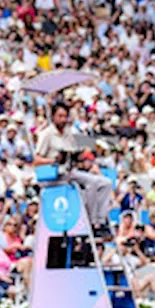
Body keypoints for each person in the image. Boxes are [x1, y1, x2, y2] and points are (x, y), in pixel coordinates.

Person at [33, 101, 116, 237]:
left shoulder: (68, 133)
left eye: (65, 116)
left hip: (69, 172)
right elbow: (36, 160)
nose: (63, 120)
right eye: (60, 116)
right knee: (92, 184)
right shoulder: (47, 134)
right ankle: (91, 220)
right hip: (54, 175)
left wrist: (81, 155)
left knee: (105, 183)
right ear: (53, 117)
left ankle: (100, 221)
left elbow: (74, 154)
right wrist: (53, 160)